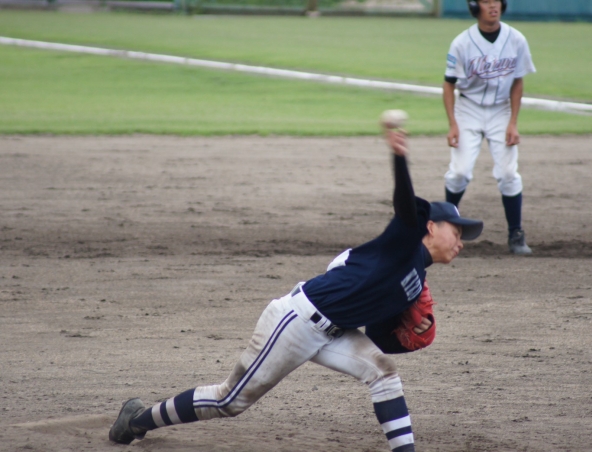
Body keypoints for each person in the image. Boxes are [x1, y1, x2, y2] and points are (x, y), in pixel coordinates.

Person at [108, 129, 483, 452]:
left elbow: (378, 336)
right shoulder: (403, 243)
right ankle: (138, 418)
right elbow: (404, 207)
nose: (461, 242)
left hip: (336, 332)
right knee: (229, 401)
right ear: (431, 227)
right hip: (297, 321)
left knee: (383, 372)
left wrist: (405, 337)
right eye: (456, 231)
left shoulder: (415, 282)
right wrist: (399, 158)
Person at [442, 0, 535, 254]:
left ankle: (516, 234)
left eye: (496, 1)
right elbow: (449, 84)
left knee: (508, 174)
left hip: (501, 110)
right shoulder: (462, 42)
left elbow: (518, 82)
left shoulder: (516, 39)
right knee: (459, 173)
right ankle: (447, 227)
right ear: (475, 7)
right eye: (486, 1)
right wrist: (452, 124)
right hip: (468, 109)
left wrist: (513, 122)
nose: (493, 6)